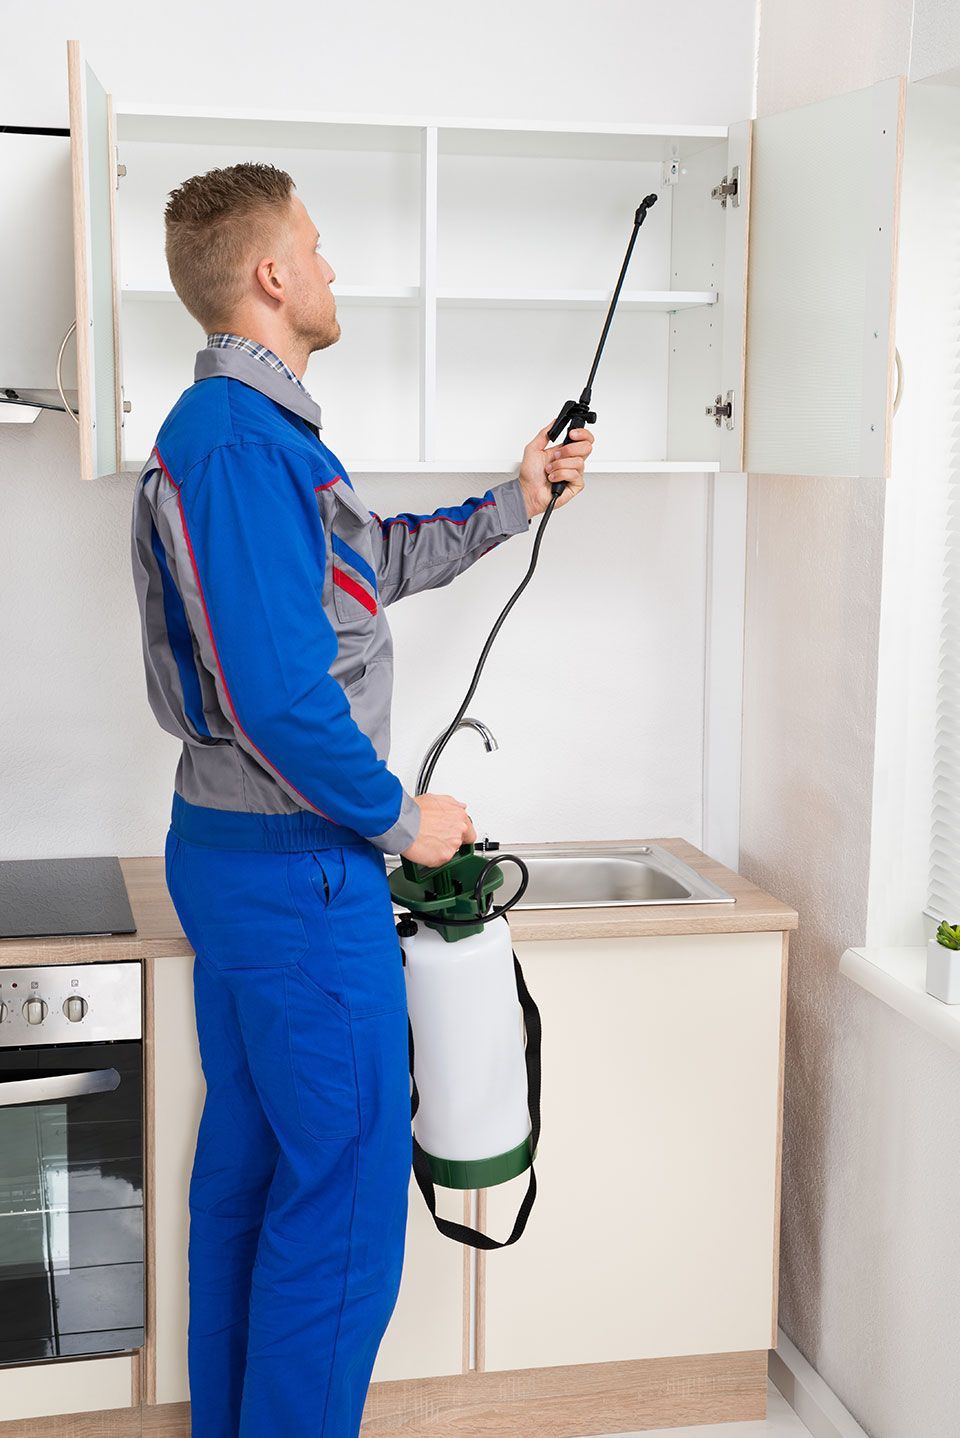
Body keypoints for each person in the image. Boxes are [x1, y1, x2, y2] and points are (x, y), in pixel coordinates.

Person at [130, 160, 591, 1438]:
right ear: (271, 276)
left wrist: (517, 500)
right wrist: (401, 814)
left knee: (259, 1169)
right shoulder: (231, 443)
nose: (335, 270)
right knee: (339, 1208)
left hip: (245, 858)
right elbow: (281, 697)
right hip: (292, 868)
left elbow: (371, 564)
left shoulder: (267, 443)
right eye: (319, 250)